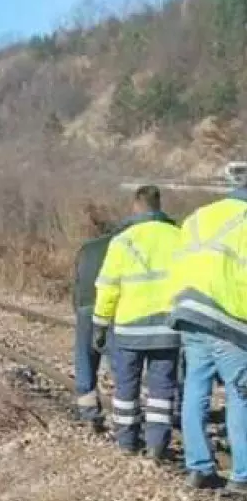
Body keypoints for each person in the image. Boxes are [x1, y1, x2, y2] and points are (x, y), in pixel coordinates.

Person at [168, 170, 247, 493]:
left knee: (195, 390)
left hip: (187, 311)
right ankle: (242, 475)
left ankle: (199, 467)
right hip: (227, 317)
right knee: (240, 393)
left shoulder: (197, 217)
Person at [93, 185, 180, 459]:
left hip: (130, 328)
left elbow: (108, 288)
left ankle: (127, 441)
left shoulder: (122, 241)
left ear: (135, 206)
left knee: (126, 386)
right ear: (159, 205)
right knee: (162, 388)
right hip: (168, 327)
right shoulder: (179, 236)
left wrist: (100, 324)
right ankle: (157, 444)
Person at [72, 222, 116, 431]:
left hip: (85, 307)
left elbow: (77, 283)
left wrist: (78, 309)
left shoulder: (86, 248)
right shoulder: (124, 244)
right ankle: (120, 411)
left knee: (85, 358)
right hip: (112, 307)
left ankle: (88, 411)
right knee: (117, 360)